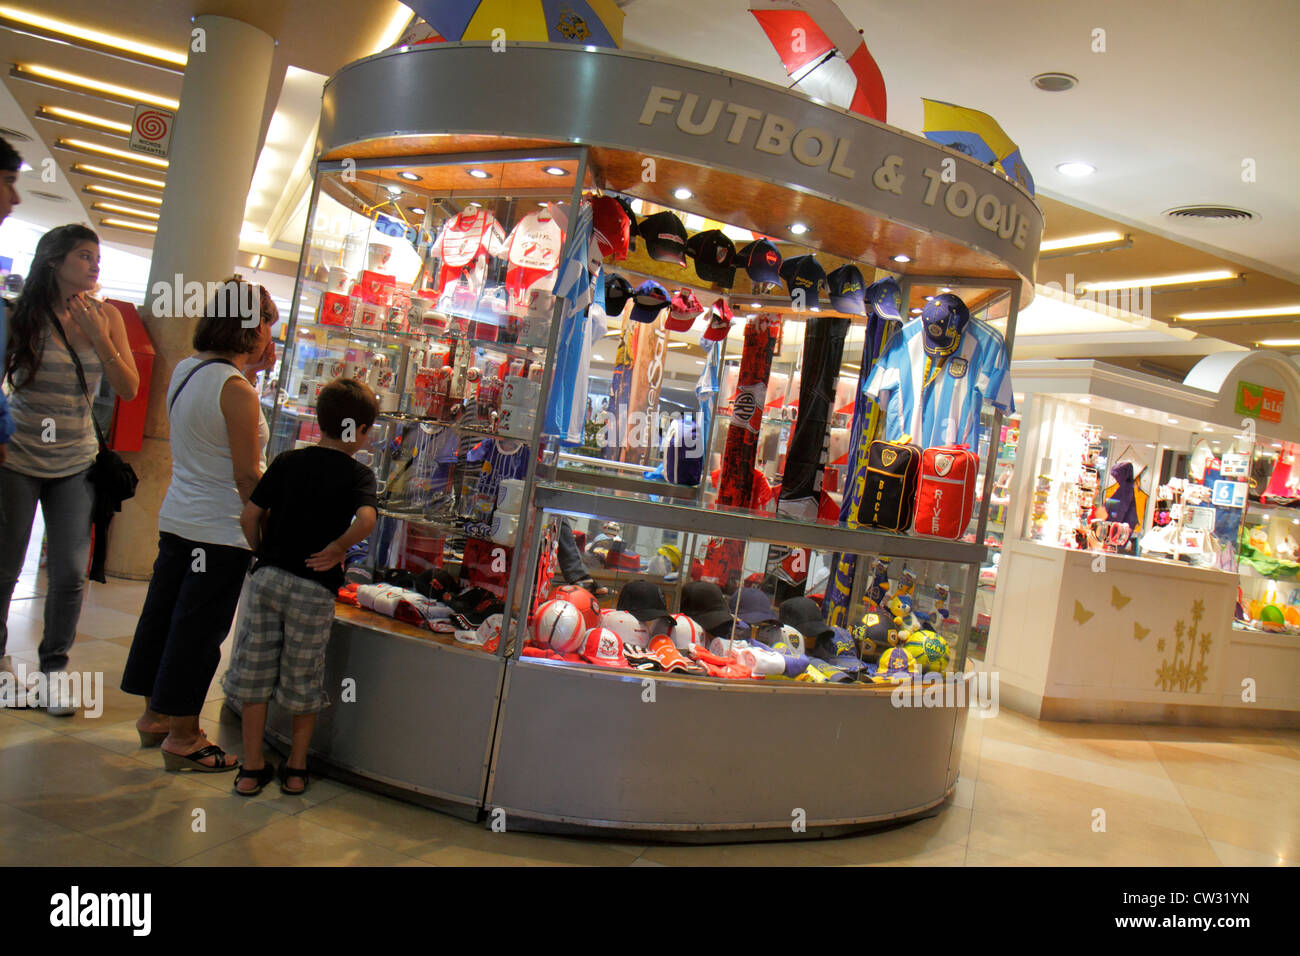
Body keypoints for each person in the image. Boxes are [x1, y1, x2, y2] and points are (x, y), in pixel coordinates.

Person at [121, 278, 275, 770]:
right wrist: (264, 530)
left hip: (179, 518)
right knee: (198, 633)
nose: (272, 337)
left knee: (164, 618)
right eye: (268, 326)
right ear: (252, 329)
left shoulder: (188, 370)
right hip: (221, 527)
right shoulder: (236, 390)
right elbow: (247, 475)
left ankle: (154, 717)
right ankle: (185, 737)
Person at [0, 223, 139, 713]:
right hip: (16, 457)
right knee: (5, 569)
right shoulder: (20, 316)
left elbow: (128, 388)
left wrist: (101, 340)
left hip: (76, 461)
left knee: (69, 573)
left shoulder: (107, 317)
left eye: (96, 257)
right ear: (54, 261)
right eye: (83, 255)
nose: (94, 265)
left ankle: (53, 672)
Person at [223, 378, 378, 796]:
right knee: (303, 676)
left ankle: (252, 768)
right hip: (314, 587)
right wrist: (337, 548)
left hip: (268, 577)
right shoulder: (360, 474)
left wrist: (264, 552)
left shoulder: (288, 461)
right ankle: (295, 768)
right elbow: (366, 520)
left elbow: (249, 516)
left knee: (255, 668)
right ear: (358, 432)